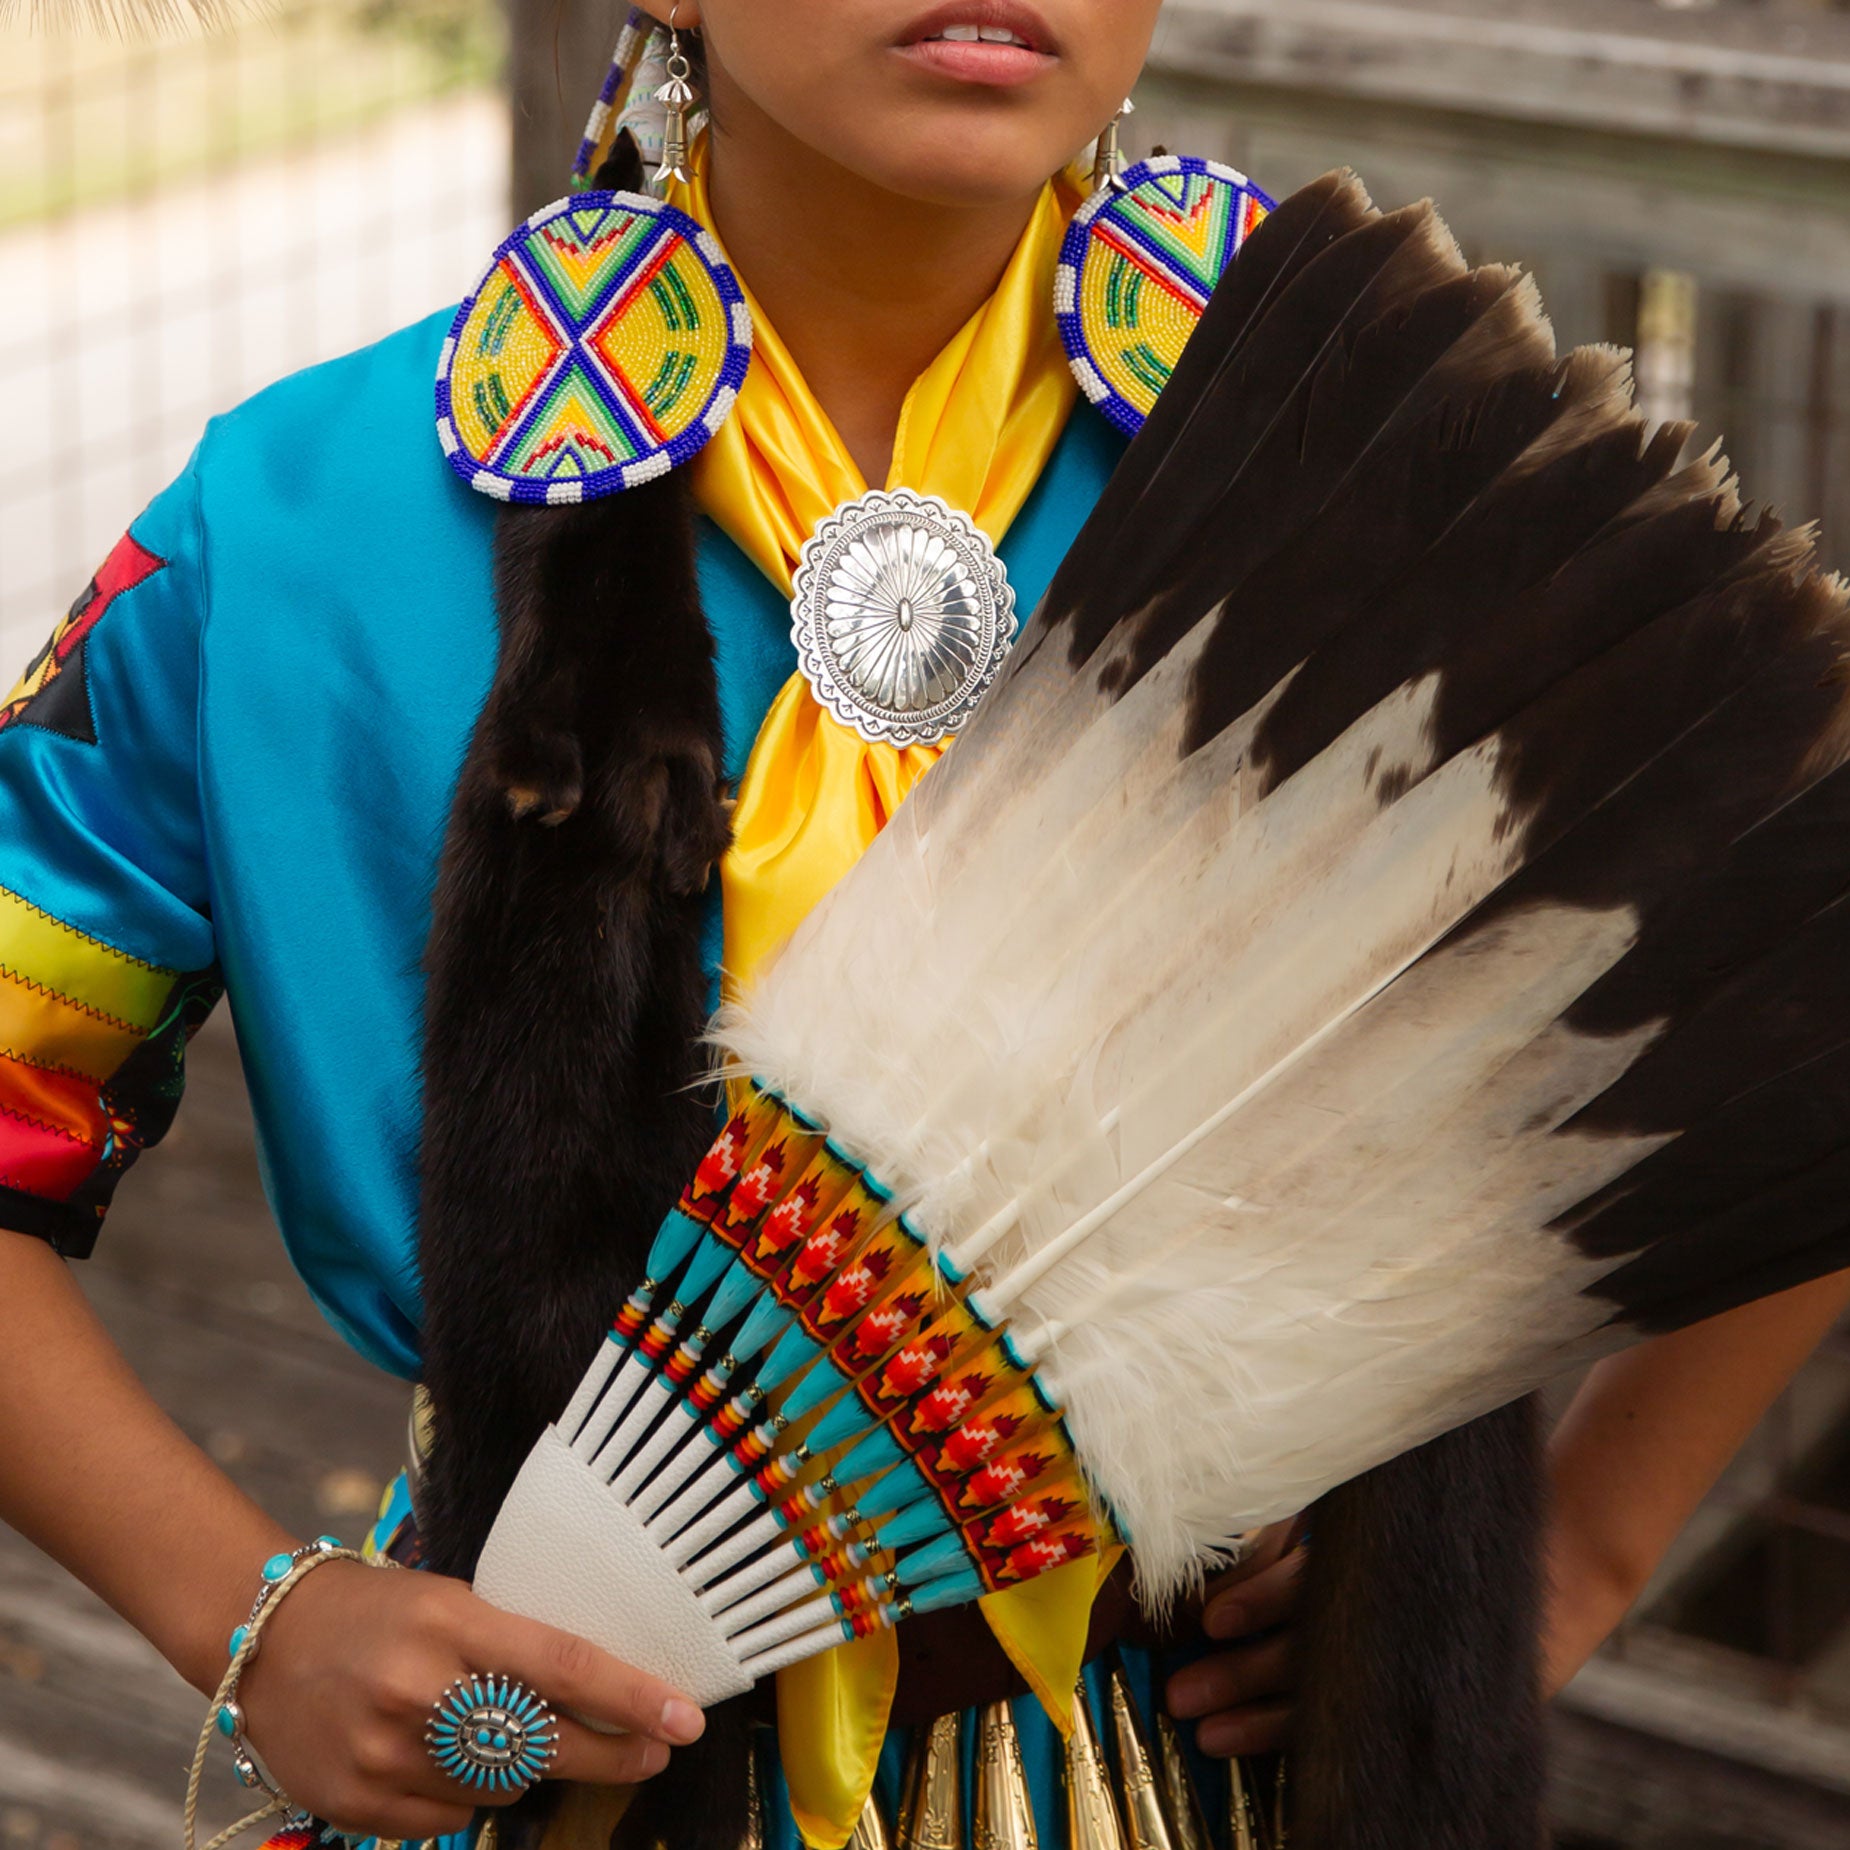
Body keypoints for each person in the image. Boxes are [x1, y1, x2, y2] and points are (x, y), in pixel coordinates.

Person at [2, 3, 1847, 1847]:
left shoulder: (1383, 482)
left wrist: (1570, 1556)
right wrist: (248, 1612)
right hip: (544, 1756)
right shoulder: (300, 536)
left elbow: (1781, 962)